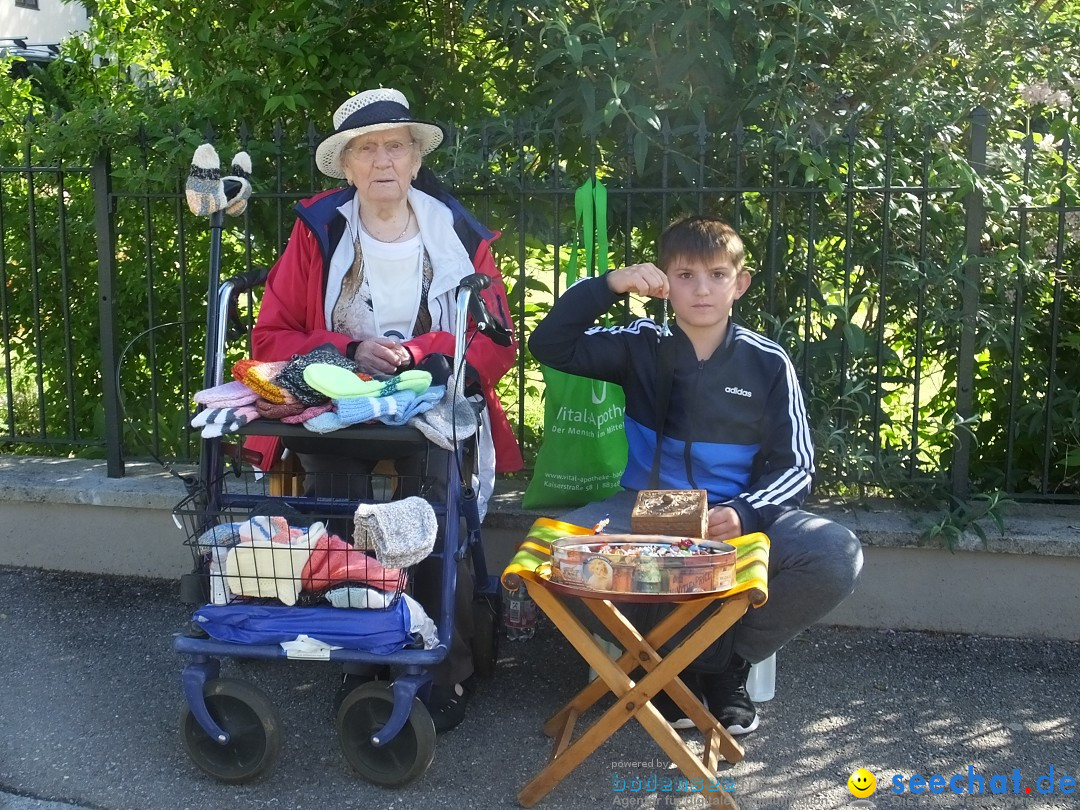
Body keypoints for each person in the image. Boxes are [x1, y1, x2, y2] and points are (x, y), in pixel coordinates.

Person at [245, 87, 524, 733]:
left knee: (429, 516)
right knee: (339, 507)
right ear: (346, 166)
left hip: (431, 404)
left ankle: (433, 664)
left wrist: (423, 354)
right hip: (338, 402)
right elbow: (273, 336)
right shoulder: (318, 231)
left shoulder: (459, 234)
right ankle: (360, 658)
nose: (382, 161)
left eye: (394, 145)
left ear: (416, 159)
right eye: (365, 149)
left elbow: (496, 339)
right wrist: (348, 347)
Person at [528, 214, 862, 736]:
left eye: (716, 275)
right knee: (551, 561)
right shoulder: (641, 344)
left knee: (835, 553)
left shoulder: (768, 362)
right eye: (684, 276)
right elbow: (548, 346)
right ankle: (663, 663)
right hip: (644, 505)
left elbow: (797, 466)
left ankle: (723, 664)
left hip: (732, 510)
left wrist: (744, 510)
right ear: (663, 283)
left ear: (740, 283)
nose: (701, 289)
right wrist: (611, 283)